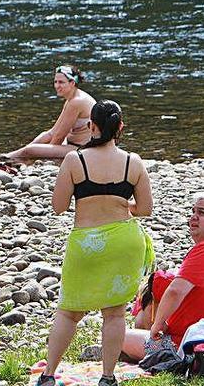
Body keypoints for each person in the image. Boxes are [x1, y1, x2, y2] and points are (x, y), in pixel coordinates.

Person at [36, 100, 154, 386]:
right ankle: (108, 376)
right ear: (120, 127)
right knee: (114, 313)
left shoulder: (75, 160)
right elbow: (146, 208)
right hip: (124, 241)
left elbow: (58, 206)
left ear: (92, 126)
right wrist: (122, 206)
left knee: (69, 311)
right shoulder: (132, 162)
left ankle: (49, 374)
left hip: (87, 242)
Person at [121, 192, 204, 361]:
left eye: (201, 213)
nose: (193, 217)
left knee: (115, 335)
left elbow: (175, 291)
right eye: (193, 212)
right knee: (159, 282)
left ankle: (148, 349)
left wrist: (157, 327)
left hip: (187, 344)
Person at [4, 65, 95, 159]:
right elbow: (53, 132)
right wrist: (24, 149)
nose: (57, 86)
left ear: (72, 83)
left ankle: (8, 157)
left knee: (30, 151)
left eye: (61, 82)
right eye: (55, 82)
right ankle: (10, 156)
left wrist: (46, 156)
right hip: (72, 144)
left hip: (81, 149)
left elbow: (59, 136)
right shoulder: (72, 99)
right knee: (41, 138)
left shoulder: (76, 102)